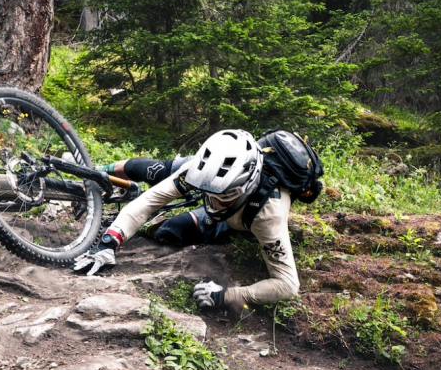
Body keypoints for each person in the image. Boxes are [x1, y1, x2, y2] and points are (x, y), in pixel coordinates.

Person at [73, 129, 298, 313]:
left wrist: (226, 295)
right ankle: (96, 173)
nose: (214, 200)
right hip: (212, 174)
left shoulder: (268, 215)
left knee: (171, 230)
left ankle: (152, 220)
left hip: (239, 216)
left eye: (224, 195)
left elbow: (287, 285)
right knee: (156, 170)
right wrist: (110, 241)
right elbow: (150, 200)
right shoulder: (200, 169)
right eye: (209, 192)